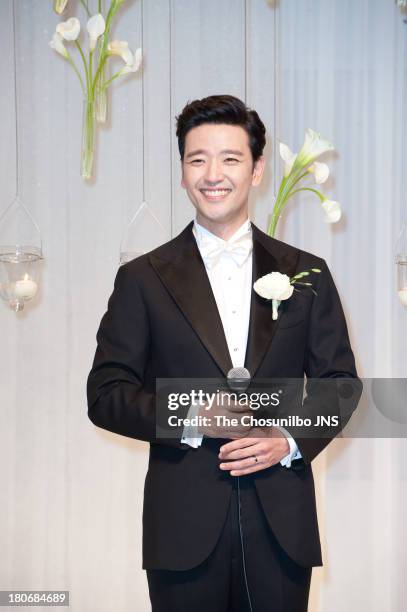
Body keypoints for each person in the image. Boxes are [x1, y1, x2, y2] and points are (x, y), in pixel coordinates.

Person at [87, 94, 360, 612]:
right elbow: (105, 394)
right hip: (182, 530)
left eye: (230, 158)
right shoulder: (142, 279)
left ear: (257, 170)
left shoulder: (309, 272)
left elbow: (341, 385)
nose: (213, 174)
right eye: (197, 159)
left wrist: (289, 437)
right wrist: (189, 414)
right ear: (183, 172)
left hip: (283, 525)